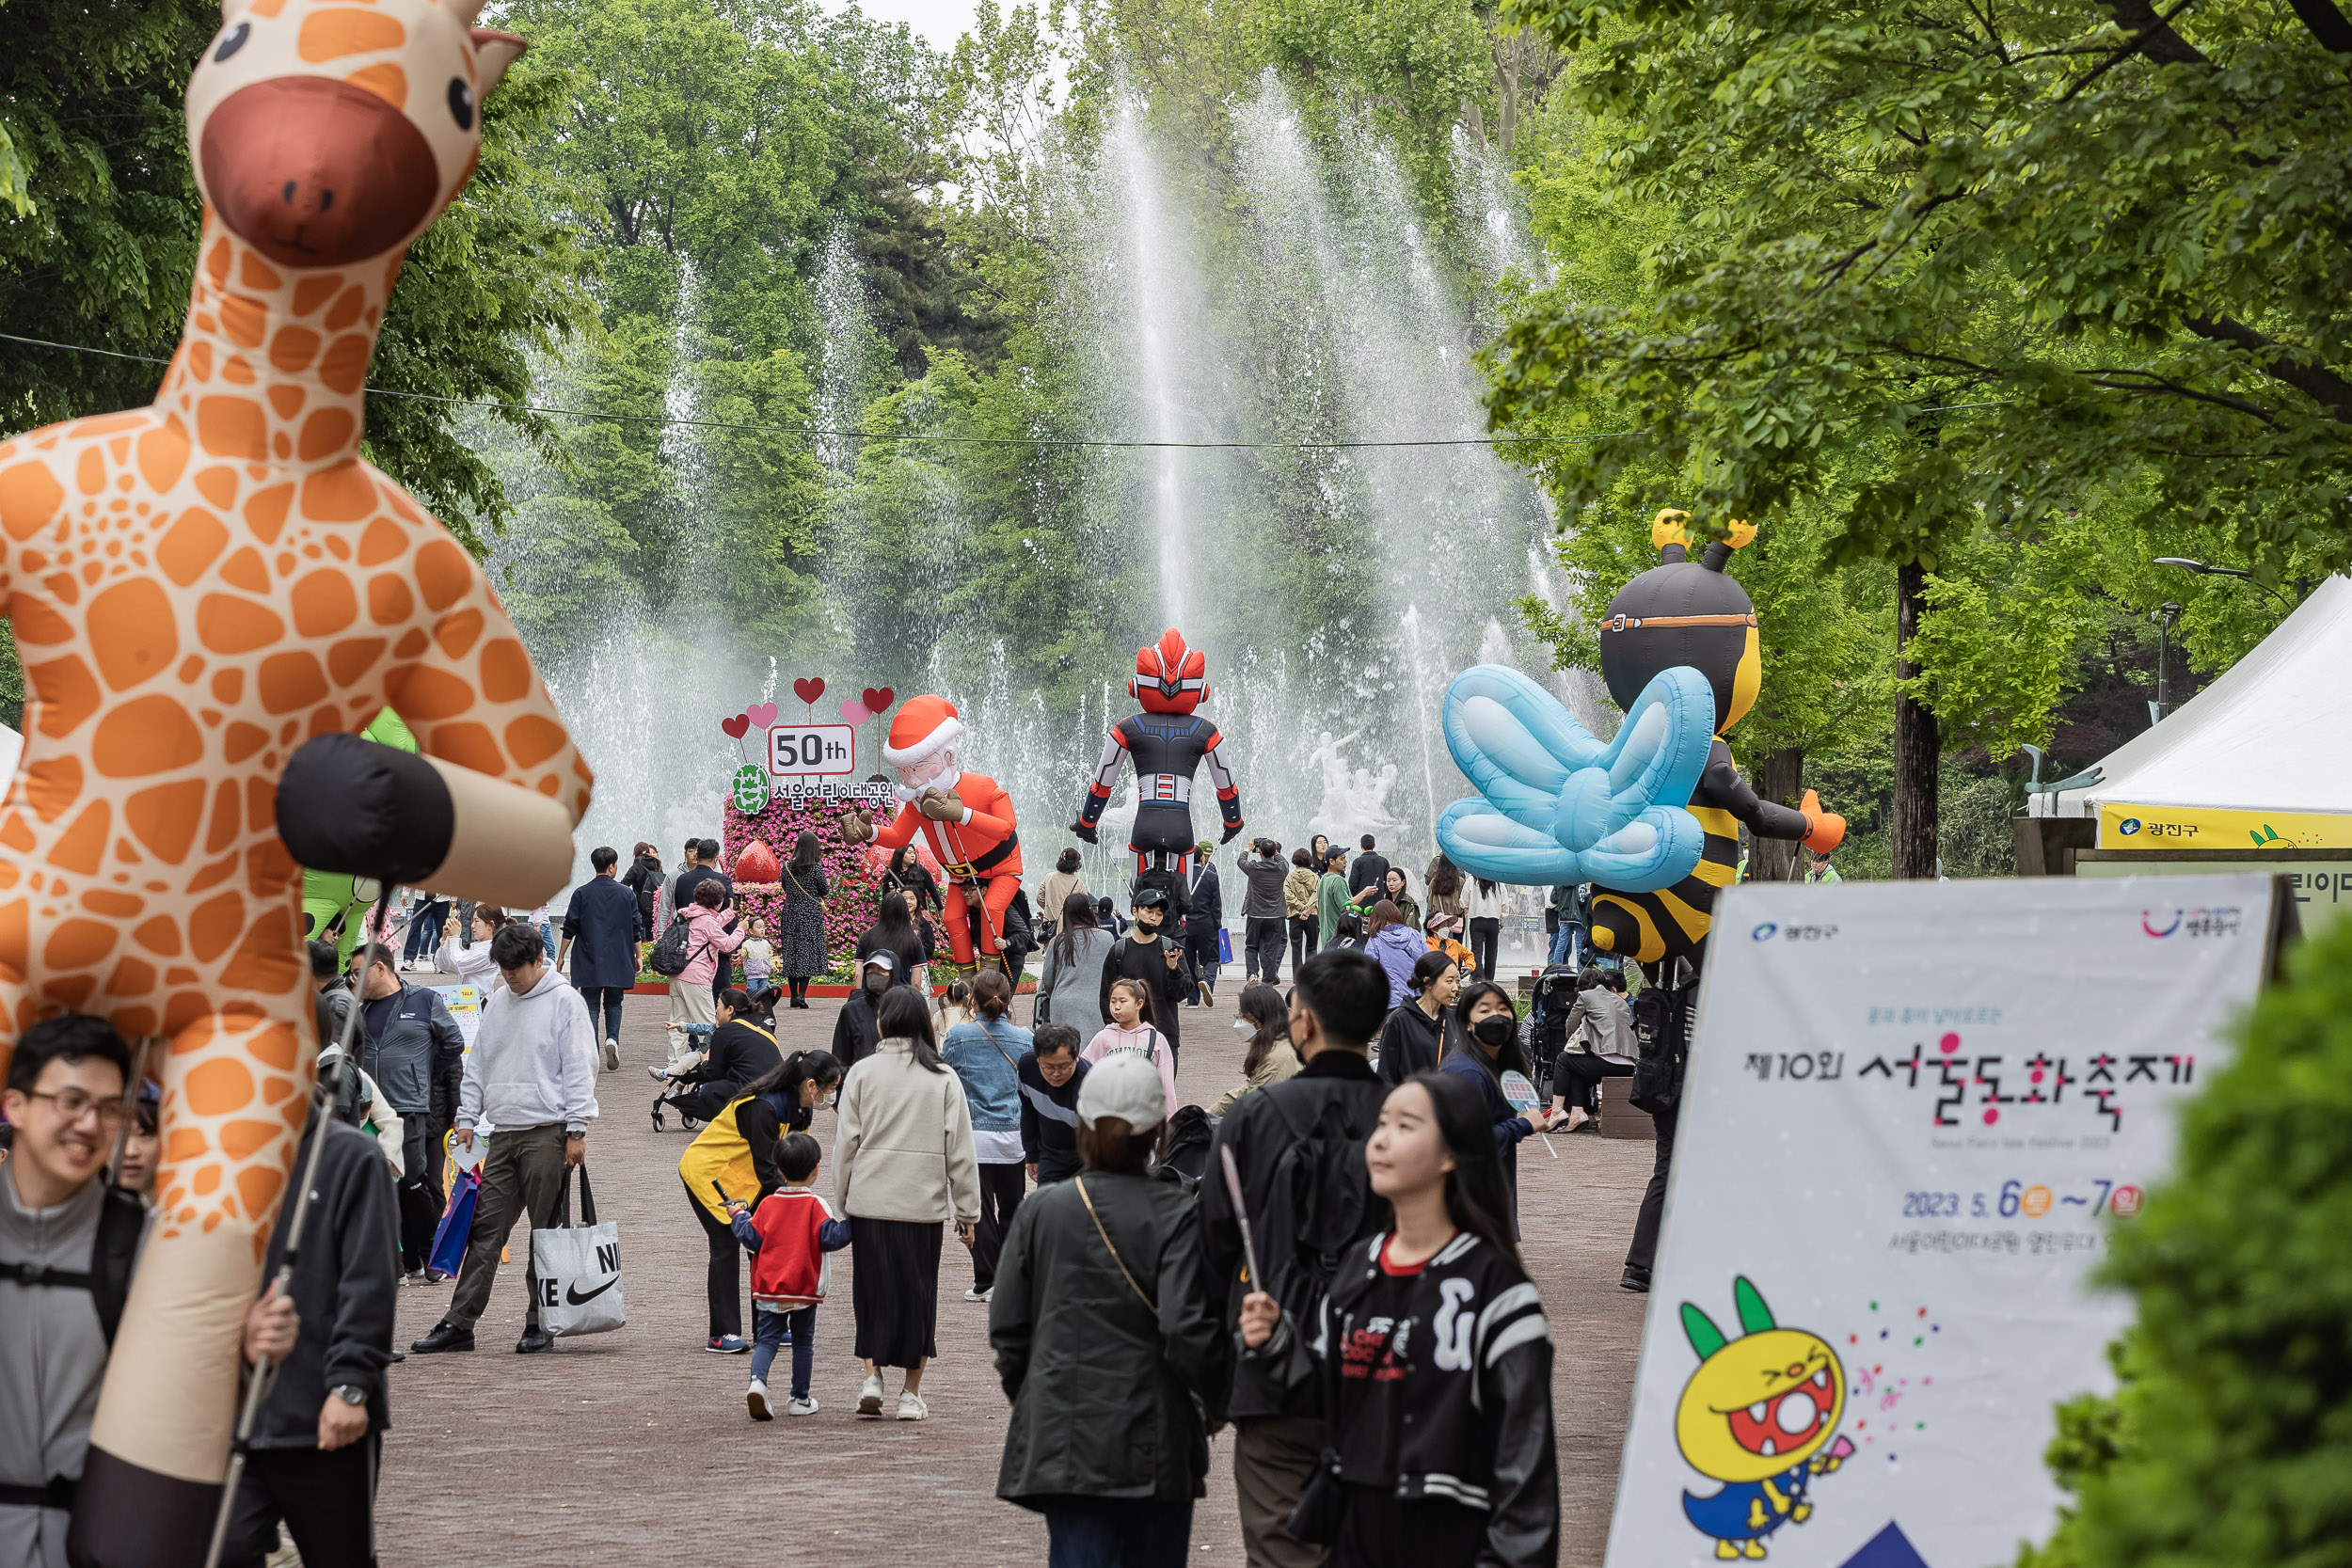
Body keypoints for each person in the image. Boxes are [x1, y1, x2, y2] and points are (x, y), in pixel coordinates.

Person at [1, 1015, 296, 1568]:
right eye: (69, 1101)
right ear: (15, 1105)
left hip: (95, 1543)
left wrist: (248, 1355)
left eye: (110, 1109)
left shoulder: (146, 1242)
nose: (89, 1125)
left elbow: (186, 1395)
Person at [1237, 1072, 1559, 1568]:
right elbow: (1326, 1394)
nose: (1381, 1138)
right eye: (1381, 1123)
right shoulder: (1357, 1266)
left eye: (1406, 1125)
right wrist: (1279, 1339)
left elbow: (1526, 1472)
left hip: (1450, 1543)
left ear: (1451, 1154)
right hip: (1353, 1539)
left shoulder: (1499, 1293)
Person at [988, 1051, 1223, 1565]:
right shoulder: (1182, 1213)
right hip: (1159, 1433)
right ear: (1155, 1133)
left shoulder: (1042, 1211)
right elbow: (1194, 1331)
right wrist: (1212, 1405)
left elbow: (1009, 1331)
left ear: (1085, 1128)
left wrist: (1035, 1396)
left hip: (1066, 1429)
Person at [1200, 947, 1394, 1568]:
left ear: (1302, 1021)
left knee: (1284, 1550)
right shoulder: (1415, 1116)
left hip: (1274, 1367)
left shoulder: (1254, 1117)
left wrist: (1214, 1379)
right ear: (1378, 1023)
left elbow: (1212, 1248)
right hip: (1392, 1369)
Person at [217, 1105, 399, 1568]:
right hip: (233, 1415)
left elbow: (370, 1280)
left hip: (325, 1419)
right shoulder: (217, 1155)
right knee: (226, 1547)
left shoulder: (351, 1156)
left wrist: (350, 1384)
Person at [410, 924, 600, 1355]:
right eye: (503, 968)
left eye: (517, 968)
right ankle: (460, 1322)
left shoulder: (564, 1002)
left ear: (538, 960)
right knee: (484, 1231)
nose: (510, 977)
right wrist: (466, 1117)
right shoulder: (497, 1001)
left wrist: (576, 1129)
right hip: (502, 1133)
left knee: (545, 1232)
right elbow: (478, 1063)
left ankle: (541, 1320)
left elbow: (579, 1068)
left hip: (547, 1132)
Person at [835, 987, 980, 1420]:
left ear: (884, 1022)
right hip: (922, 1203)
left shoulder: (862, 1073)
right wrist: (967, 1212)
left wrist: (844, 1200)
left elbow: (846, 1144)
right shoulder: (942, 1077)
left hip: (870, 1200)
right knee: (918, 1295)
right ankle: (910, 1394)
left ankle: (872, 1376)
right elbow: (961, 1150)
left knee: (872, 1292)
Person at [348, 943, 465, 1279]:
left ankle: (433, 1255)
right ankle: (407, 1258)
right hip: (371, 1108)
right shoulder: (358, 1008)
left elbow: (453, 1042)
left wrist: (423, 1072)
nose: (354, 979)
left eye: (359, 972)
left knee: (414, 1180)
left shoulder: (424, 1000)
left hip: (410, 1104)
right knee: (386, 1182)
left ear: (381, 969)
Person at [726, 1132, 853, 1420]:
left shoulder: (768, 1204)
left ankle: (758, 1382)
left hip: (769, 1287)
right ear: (816, 1168)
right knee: (803, 1342)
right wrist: (854, 1221)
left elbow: (751, 1239)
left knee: (768, 1340)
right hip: (804, 1286)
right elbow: (831, 1238)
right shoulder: (815, 1205)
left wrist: (738, 1215)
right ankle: (799, 1397)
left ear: (779, 1170)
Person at [941, 968, 1031, 1301]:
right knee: (1012, 1208)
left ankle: (987, 1280)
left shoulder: (958, 1037)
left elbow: (943, 1076)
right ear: (1007, 1000)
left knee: (978, 1211)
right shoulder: (1025, 1037)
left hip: (974, 1134)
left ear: (971, 1000)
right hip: (1013, 1134)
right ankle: (1009, 1277)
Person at [1440, 982, 1553, 1225]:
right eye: (1485, 1010)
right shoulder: (1466, 1073)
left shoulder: (1494, 1065)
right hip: (1470, 1205)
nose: (1497, 1017)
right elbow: (1468, 1143)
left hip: (1491, 1194)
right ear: (1468, 1023)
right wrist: (1523, 1125)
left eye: (1503, 1009)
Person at [561, 845, 643, 1073]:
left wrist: (560, 957)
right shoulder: (627, 894)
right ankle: (612, 1040)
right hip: (619, 956)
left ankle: (591, 1050)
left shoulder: (581, 893)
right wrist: (639, 956)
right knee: (614, 1002)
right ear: (612, 866)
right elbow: (637, 926)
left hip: (589, 956)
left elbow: (569, 928)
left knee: (591, 1004)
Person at [1097, 885, 1197, 1059]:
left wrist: (1174, 969)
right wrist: (1115, 1030)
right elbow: (1106, 996)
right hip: (1127, 1039)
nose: (1154, 918)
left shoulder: (1171, 949)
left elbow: (1182, 993)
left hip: (1164, 1037)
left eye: (1159, 914)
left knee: (1163, 1087)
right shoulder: (1119, 951)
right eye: (1149, 911)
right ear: (1135, 911)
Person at [1084, 977, 1180, 1133]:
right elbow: (1085, 1072)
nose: (1116, 1007)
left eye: (1122, 1001)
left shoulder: (1156, 1039)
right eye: (1113, 1001)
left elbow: (1166, 1086)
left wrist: (1170, 1125)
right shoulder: (1103, 1037)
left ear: (1139, 1004)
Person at [1548, 970, 1636, 1133]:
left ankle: (1557, 1111)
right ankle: (1578, 1113)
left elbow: (1570, 1027)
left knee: (1563, 1059)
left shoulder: (1585, 996)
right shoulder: (1620, 1000)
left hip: (1608, 1062)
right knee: (1577, 1067)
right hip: (1629, 1064)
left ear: (1582, 986)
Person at [1211, 983, 1302, 1116]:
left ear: (1260, 1018)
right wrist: (1212, 1111)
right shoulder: (1273, 1046)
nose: (1240, 1021)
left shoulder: (1278, 1057)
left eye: (1242, 1016)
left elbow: (1255, 1107)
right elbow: (1249, 1087)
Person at [1017, 1025, 1090, 1186]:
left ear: (1076, 1058)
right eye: (1048, 1067)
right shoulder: (1027, 1067)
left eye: (1064, 1066)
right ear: (1038, 1059)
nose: (1056, 1074)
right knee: (1047, 1205)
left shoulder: (1089, 1083)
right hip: (1050, 1152)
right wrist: (1032, 1155)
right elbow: (1028, 1112)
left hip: (1087, 1156)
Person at [670, 879, 747, 1032]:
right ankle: (710, 1055)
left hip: (677, 974)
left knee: (678, 1023)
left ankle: (675, 1057)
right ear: (717, 903)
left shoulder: (688, 914)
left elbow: (711, 923)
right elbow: (727, 944)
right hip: (697, 978)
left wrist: (730, 913)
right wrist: (740, 930)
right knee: (707, 1023)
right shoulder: (707, 921)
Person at [1376, 950, 1460, 1086]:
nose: (1455, 988)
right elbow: (1386, 1075)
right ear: (1428, 982)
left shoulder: (1453, 1019)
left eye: (1457, 981)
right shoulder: (1399, 1020)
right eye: (1449, 981)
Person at [1037, 892, 1115, 1037]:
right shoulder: (1107, 939)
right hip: (1096, 1004)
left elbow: (1047, 980)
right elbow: (1112, 975)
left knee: (1065, 1053)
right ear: (1090, 911)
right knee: (1093, 1053)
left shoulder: (1057, 942)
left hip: (1062, 1004)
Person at [777, 831, 831, 1008]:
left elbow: (784, 886)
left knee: (792, 951)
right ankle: (801, 995)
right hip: (810, 913)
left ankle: (792, 995)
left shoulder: (786, 866)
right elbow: (824, 890)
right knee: (807, 952)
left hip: (791, 911)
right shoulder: (816, 868)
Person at [1234, 837, 1290, 984]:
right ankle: (1268, 983)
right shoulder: (1282, 868)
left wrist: (1248, 848)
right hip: (1276, 916)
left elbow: (1240, 861)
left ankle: (1252, 974)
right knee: (1271, 951)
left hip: (1255, 915)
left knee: (1252, 946)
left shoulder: (1253, 868)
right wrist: (1274, 851)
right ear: (1275, 853)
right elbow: (1283, 860)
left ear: (1259, 852)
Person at [856, 888, 929, 992]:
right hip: (900, 998)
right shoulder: (913, 940)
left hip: (871, 996)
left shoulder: (867, 936)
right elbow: (916, 982)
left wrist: (859, 995)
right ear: (904, 910)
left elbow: (858, 973)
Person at [831, 954, 895, 1069]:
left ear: (893, 974)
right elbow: (840, 1057)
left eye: (881, 969)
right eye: (871, 969)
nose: (875, 974)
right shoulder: (852, 1010)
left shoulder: (904, 1008)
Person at [1362, 899, 1428, 1008]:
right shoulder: (1414, 934)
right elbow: (1427, 962)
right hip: (1417, 1000)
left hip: (1390, 1001)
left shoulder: (1375, 940)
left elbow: (1369, 971)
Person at [435, 901, 511, 995]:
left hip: (480, 1003)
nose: (472, 925)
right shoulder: (476, 947)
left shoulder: (489, 952)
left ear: (490, 925)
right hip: (465, 1002)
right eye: (473, 921)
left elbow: (458, 963)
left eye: (477, 921)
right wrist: (445, 939)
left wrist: (454, 937)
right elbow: (444, 965)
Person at [1184, 843, 1225, 1005]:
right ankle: (1207, 980)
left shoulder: (1181, 876)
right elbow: (1216, 904)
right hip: (1207, 924)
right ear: (1202, 858)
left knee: (1189, 961)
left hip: (1186, 926)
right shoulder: (1211, 876)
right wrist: (1217, 923)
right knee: (1212, 958)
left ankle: (1192, 999)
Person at [622, 841, 664, 969]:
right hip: (654, 908)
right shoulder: (657, 865)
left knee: (639, 938)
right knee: (652, 940)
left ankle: (640, 965)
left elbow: (623, 885)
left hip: (639, 908)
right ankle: (652, 967)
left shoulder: (636, 867)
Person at [1036, 847, 1089, 946]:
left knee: (1050, 955)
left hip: (1050, 927)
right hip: (1070, 928)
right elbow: (1084, 907)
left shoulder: (1049, 877)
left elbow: (1040, 898)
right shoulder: (1079, 883)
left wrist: (1049, 907)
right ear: (1077, 864)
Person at [1460, 874, 1505, 982]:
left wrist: (1467, 908)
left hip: (1476, 920)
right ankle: (1489, 979)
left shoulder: (1471, 880)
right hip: (1493, 921)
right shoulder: (1498, 881)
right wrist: (1501, 916)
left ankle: (1478, 977)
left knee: (1476, 950)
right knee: (1492, 951)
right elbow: (1505, 903)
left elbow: (1463, 901)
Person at [1283, 847, 1322, 972]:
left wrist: (1300, 907)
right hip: (1312, 916)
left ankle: (1297, 978)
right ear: (1309, 861)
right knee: (1312, 947)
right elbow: (1317, 895)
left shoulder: (1289, 877)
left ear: (1295, 861)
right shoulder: (1315, 877)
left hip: (1295, 916)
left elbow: (1287, 896)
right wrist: (1307, 910)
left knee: (1296, 947)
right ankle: (1310, 977)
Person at [882, 844, 943, 918]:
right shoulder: (892, 875)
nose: (913, 855)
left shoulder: (921, 871)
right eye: (909, 853)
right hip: (899, 915)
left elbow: (933, 891)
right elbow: (885, 898)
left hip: (919, 913)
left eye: (914, 853)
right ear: (900, 854)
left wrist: (941, 909)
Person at [400, 889, 450, 972]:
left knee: (442, 932)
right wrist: (405, 894)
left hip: (442, 899)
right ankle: (409, 959)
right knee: (415, 927)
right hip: (421, 899)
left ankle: (439, 961)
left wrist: (454, 899)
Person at [1316, 847, 1357, 949]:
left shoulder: (1324, 879)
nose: (1345, 862)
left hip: (1327, 937)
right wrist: (1365, 893)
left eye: (1345, 858)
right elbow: (1346, 907)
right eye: (1342, 859)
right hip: (1339, 938)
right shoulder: (1338, 880)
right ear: (1332, 862)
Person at [1421, 855, 1465, 947]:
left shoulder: (1434, 882)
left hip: (1439, 920)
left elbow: (1430, 904)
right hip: (1455, 920)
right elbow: (1463, 901)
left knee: (1438, 947)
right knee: (1455, 948)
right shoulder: (1460, 882)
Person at [1347, 833, 1390, 900]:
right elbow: (1388, 881)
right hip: (1379, 901)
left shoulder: (1358, 862)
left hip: (1361, 903)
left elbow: (1352, 884)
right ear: (1374, 845)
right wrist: (1382, 892)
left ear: (1361, 845)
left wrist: (1358, 896)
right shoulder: (1383, 861)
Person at [1381, 867, 1422, 936]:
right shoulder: (1385, 903)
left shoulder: (1408, 903)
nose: (1391, 884)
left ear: (1403, 882)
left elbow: (1410, 928)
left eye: (1394, 880)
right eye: (1388, 880)